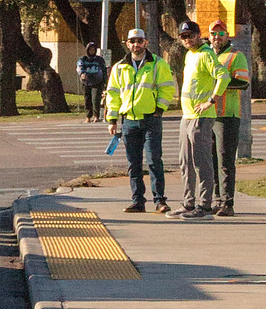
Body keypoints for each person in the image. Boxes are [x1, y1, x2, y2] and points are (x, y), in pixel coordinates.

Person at [105, 26, 174, 213]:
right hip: (128, 121)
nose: (136, 44)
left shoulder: (158, 64)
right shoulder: (119, 67)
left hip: (151, 120)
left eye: (140, 41)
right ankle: (138, 201)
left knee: (153, 160)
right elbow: (113, 94)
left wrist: (159, 109)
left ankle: (159, 200)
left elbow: (167, 88)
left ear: (146, 42)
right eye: (132, 41)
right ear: (127, 44)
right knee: (133, 164)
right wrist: (112, 120)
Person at [175, 18, 221, 219]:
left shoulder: (206, 54)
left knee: (201, 161)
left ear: (198, 35)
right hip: (187, 115)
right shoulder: (190, 55)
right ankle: (188, 202)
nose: (187, 40)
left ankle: (204, 205)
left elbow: (223, 76)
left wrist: (210, 101)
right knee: (185, 161)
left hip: (201, 116)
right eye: (183, 37)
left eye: (191, 36)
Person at [212, 23, 249, 215]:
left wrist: (218, 84)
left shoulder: (236, 55)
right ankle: (216, 199)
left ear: (227, 35)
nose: (217, 37)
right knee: (211, 160)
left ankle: (228, 202)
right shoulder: (207, 55)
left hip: (227, 115)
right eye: (213, 33)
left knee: (225, 160)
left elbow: (242, 83)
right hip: (207, 115)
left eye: (221, 33)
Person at [77, 42, 108, 122]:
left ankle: (96, 116)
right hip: (86, 83)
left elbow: (104, 70)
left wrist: (105, 81)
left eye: (93, 50)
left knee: (95, 99)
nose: (92, 51)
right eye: (90, 49)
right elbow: (79, 67)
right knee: (87, 100)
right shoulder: (83, 59)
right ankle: (88, 117)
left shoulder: (99, 59)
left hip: (97, 82)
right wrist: (82, 74)